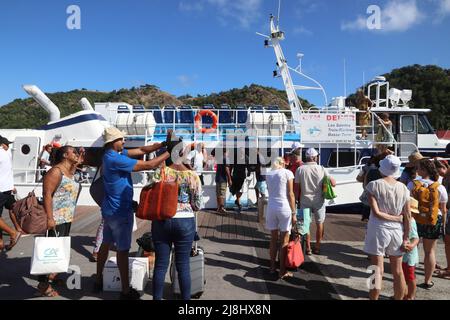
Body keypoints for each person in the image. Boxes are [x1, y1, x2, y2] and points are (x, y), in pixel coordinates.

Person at [94, 127, 172, 300]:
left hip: (108, 209)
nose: (124, 142)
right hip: (120, 211)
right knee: (122, 250)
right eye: (121, 139)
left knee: (105, 244)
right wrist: (170, 152)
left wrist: (163, 145)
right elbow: (150, 164)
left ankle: (98, 280)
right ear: (112, 142)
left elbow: (143, 150)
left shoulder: (110, 155)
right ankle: (125, 291)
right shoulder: (115, 158)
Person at [151, 138, 203, 300]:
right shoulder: (192, 175)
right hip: (185, 221)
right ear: (182, 153)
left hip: (162, 220)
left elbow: (151, 195)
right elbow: (198, 204)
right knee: (183, 266)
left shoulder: (161, 172)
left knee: (160, 265)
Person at [38, 145, 84, 297]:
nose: (77, 154)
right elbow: (47, 194)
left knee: (60, 249)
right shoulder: (55, 171)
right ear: (65, 155)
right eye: (74, 152)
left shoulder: (69, 172)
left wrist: (78, 160)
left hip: (66, 217)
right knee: (49, 252)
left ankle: (52, 276)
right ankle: (43, 284)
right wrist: (50, 218)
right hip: (56, 218)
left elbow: (75, 170)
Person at [364, 155, 411, 300]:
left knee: (376, 269)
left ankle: (373, 298)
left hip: (378, 229)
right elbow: (408, 216)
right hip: (397, 230)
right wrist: (406, 237)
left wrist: (396, 218)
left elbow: (377, 213)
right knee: (398, 271)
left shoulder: (374, 185)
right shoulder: (403, 188)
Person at [408, 159, 448, 289]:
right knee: (430, 252)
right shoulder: (439, 187)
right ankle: (428, 281)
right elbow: (443, 209)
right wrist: (443, 225)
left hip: (415, 220)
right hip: (433, 221)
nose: (416, 170)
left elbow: (407, 204)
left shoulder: (412, 185)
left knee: (411, 250)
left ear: (424, 170)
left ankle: (410, 278)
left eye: (418, 168)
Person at [295, 148, 336, 255]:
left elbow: (297, 188)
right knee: (319, 223)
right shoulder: (321, 168)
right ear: (314, 157)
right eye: (317, 156)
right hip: (319, 201)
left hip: (304, 200)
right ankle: (317, 247)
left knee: (306, 224)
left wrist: (296, 199)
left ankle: (308, 248)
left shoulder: (300, 169)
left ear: (307, 157)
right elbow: (333, 183)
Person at [265, 157, 296, 280]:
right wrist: (294, 213)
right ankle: (282, 271)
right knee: (284, 241)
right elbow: (290, 194)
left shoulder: (269, 174)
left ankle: (272, 267)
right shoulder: (288, 173)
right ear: (282, 164)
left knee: (273, 239)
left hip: (271, 208)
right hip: (284, 208)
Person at [0, 136, 22, 251]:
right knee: (12, 208)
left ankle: (13, 233)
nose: (8, 146)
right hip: (7, 188)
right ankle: (2, 242)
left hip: (1, 188)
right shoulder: (6, 153)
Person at [402, 199, 420, 300]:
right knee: (404, 276)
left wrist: (412, 245)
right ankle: (404, 294)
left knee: (410, 277)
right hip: (404, 254)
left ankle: (411, 296)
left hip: (409, 255)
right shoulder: (406, 220)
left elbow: (416, 238)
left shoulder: (411, 222)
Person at [437, 159, 450, 279]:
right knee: (447, 241)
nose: (439, 174)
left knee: (448, 241)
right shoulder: (446, 177)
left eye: (439, 170)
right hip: (447, 210)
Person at [213, 148, 232, 214]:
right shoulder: (226, 158)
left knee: (218, 193)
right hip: (222, 179)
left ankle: (219, 208)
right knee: (222, 194)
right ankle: (221, 208)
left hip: (217, 178)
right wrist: (229, 179)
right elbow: (227, 169)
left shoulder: (220, 158)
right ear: (227, 151)